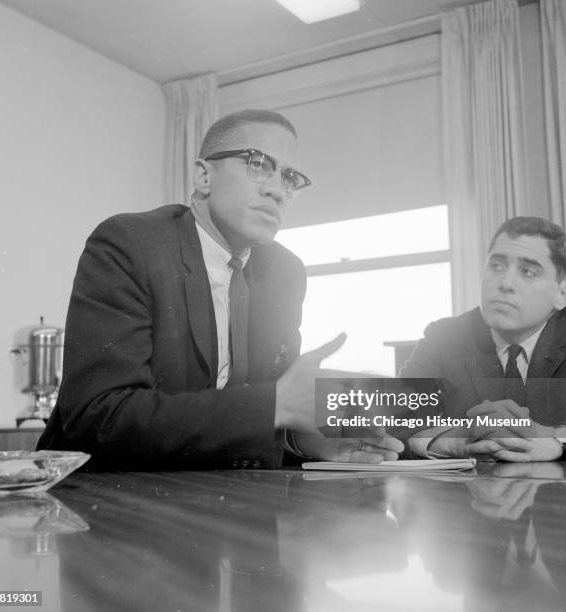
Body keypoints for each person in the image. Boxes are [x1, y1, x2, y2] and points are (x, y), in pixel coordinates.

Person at [37, 109, 403, 469]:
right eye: (258, 163)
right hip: (100, 495)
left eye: (289, 177)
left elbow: (259, 415)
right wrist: (275, 406)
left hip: (212, 495)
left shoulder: (286, 273)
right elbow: (97, 417)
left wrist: (303, 439)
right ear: (203, 176)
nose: (277, 190)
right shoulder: (129, 244)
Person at [402, 216, 566, 462]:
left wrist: (556, 440)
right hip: (466, 496)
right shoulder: (443, 336)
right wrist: (452, 439)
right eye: (497, 266)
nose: (505, 283)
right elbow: (389, 422)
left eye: (528, 272)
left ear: (561, 293)